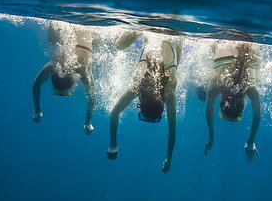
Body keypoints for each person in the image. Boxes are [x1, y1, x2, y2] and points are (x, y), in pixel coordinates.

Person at [106, 31, 183, 173]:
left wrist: (169, 158)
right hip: (152, 34)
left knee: (176, 47)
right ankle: (137, 28)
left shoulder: (169, 93)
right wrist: (112, 144)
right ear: (140, 104)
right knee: (118, 45)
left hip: (173, 41)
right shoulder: (137, 88)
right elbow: (114, 113)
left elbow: (173, 129)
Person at [32, 22, 97, 135]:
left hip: (88, 28)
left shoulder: (83, 71)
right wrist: (37, 110)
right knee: (52, 40)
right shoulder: (55, 65)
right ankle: (54, 20)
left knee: (95, 40)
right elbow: (36, 85)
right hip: (71, 24)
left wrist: (88, 122)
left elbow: (93, 98)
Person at [203, 40, 262, 162]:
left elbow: (257, 117)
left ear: (243, 103)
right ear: (221, 101)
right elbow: (209, 110)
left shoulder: (251, 88)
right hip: (222, 39)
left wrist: (251, 141)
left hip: (250, 42)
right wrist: (210, 137)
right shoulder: (215, 86)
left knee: (256, 66)